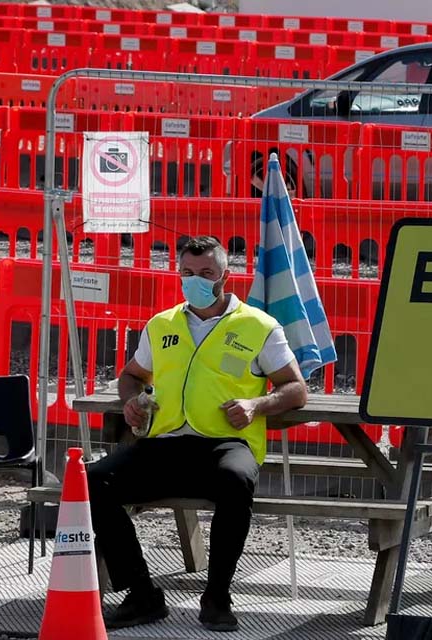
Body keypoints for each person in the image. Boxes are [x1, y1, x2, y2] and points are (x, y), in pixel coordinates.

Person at [87, 235, 307, 633]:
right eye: (187, 273)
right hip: (165, 442)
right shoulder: (162, 324)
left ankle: (218, 595)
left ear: (226, 274)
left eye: (206, 273)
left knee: (236, 481)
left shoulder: (259, 326)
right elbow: (132, 375)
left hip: (226, 444)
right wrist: (131, 402)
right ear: (179, 274)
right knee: (93, 481)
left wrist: (256, 406)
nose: (196, 280)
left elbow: (296, 389)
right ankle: (141, 594)